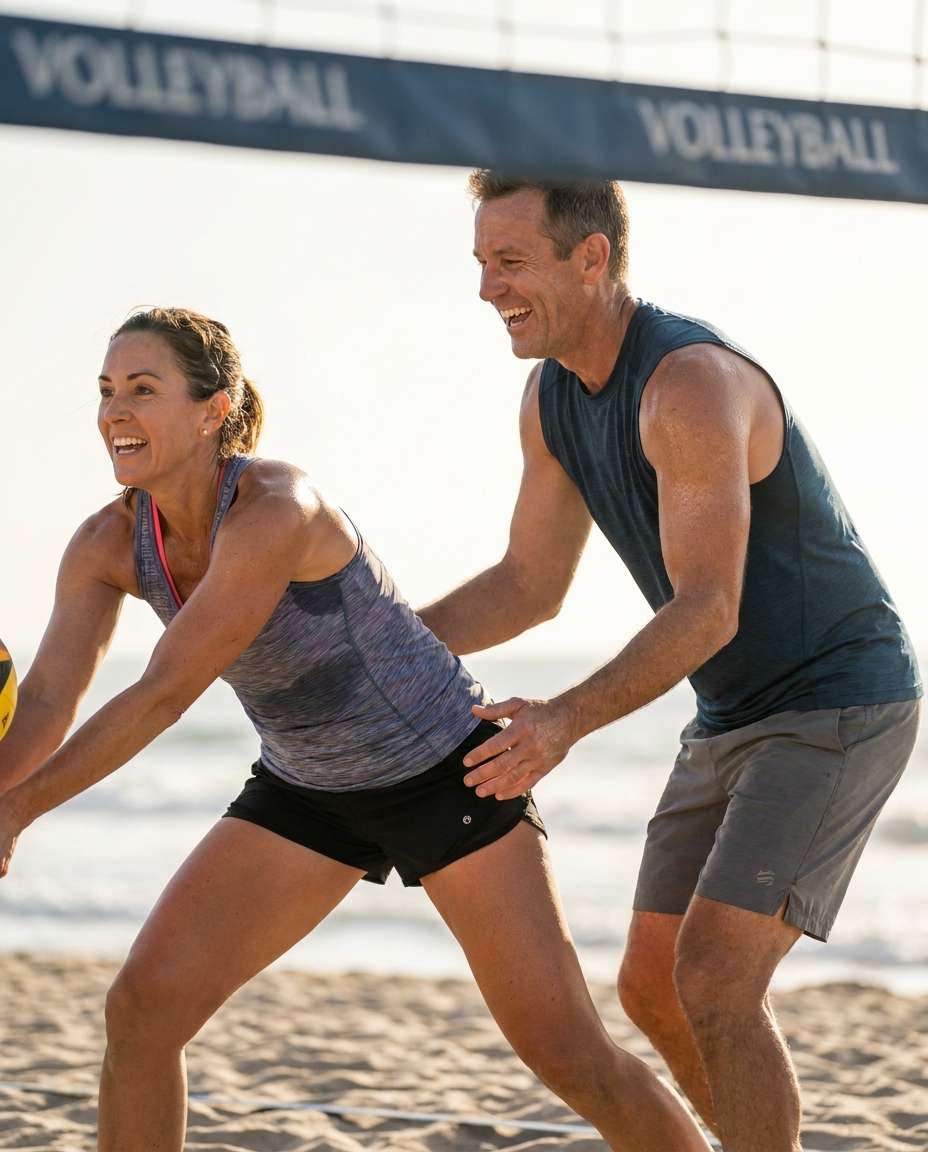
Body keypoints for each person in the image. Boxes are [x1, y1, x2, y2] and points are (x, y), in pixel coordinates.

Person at [0, 307, 711, 1152]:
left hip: (450, 771)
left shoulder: (276, 508)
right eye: (107, 391)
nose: (116, 411)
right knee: (142, 1010)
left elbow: (165, 690)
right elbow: (47, 702)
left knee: (569, 1053)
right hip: (309, 791)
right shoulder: (106, 544)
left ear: (212, 408)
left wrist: (20, 811)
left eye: (143, 390)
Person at [417, 173, 922, 1152]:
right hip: (731, 709)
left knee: (716, 980)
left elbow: (708, 606)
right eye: (481, 264)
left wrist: (560, 719)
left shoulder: (688, 384)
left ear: (592, 257)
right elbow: (529, 583)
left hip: (839, 699)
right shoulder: (551, 397)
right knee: (651, 987)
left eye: (510, 262)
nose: (489, 288)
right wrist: (374, 637)